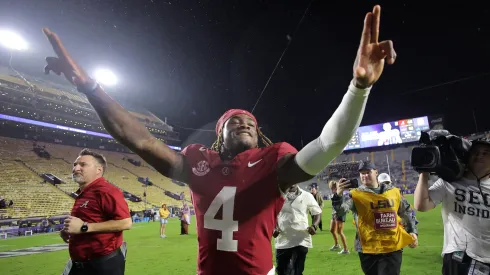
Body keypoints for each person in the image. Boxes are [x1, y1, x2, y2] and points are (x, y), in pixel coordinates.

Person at [43, 5, 396, 275]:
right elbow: (140, 141)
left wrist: (359, 87)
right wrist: (88, 86)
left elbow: (327, 145)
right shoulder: (198, 163)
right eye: (234, 121)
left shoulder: (274, 164)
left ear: (259, 135)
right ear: (219, 135)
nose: (244, 123)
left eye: (250, 122)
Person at [414, 138, 490, 274]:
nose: (480, 155)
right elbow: (421, 205)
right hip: (459, 255)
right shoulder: (449, 182)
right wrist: (424, 173)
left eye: (486, 152)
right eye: (476, 152)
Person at [333, 161, 418, 275]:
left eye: (368, 172)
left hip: (392, 246)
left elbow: (406, 211)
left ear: (376, 172)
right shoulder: (355, 195)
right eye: (362, 173)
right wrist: (338, 195)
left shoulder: (393, 192)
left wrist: (412, 231)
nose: (365, 175)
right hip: (368, 248)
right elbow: (340, 211)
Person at [61, 149, 132, 275]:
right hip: (80, 265)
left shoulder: (106, 191)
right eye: (75, 164)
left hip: (102, 265)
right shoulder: (85, 192)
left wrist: (83, 227)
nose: (76, 168)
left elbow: (126, 223)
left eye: (83, 165)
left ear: (99, 170)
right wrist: (71, 231)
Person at [273, 184, 322, 275]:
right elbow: (271, 213)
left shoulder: (307, 195)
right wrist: (274, 227)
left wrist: (314, 226)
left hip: (301, 238)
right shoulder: (276, 195)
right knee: (281, 271)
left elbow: (317, 212)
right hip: (283, 238)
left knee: (297, 271)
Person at [328, 180, 349, 254]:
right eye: (331, 187)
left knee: (339, 231)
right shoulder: (335, 193)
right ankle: (337, 245)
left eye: (333, 187)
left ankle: (346, 249)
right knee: (331, 230)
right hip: (334, 213)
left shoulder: (339, 192)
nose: (332, 189)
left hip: (340, 214)